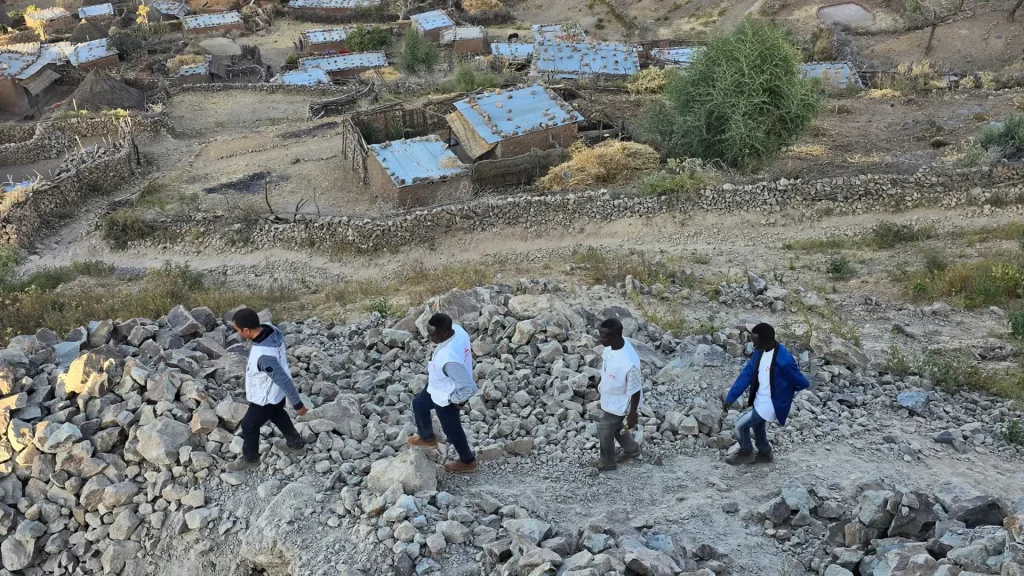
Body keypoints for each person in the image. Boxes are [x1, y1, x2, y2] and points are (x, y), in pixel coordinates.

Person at [226, 308, 307, 472]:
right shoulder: (270, 330)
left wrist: (298, 405)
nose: (239, 334)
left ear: (247, 330)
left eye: (239, 331)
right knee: (278, 414)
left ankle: (251, 459)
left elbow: (283, 380)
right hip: (276, 395)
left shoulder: (264, 356)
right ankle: (296, 445)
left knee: (249, 425)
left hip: (265, 397)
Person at [722, 322, 809, 465]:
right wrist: (731, 396)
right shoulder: (760, 351)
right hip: (759, 399)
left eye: (757, 344)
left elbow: (802, 382)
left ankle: (746, 452)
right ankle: (765, 453)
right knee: (758, 426)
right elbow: (748, 373)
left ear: (769, 342)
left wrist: (784, 393)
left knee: (740, 426)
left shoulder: (784, 361)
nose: (754, 347)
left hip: (771, 403)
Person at [407, 313, 479, 474]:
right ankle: (427, 438)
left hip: (446, 395)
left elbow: (470, 386)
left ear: (445, 332)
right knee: (419, 404)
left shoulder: (449, 360)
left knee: (452, 432)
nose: (428, 336)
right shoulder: (458, 330)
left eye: (432, 334)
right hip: (436, 385)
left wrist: (456, 399)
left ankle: (468, 462)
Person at [593, 318, 643, 471]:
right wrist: (600, 383)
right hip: (610, 396)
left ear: (614, 337)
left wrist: (633, 414)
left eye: (603, 336)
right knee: (615, 428)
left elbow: (635, 390)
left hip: (621, 402)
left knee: (605, 428)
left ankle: (607, 461)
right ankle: (632, 449)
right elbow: (607, 366)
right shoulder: (611, 347)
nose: (600, 339)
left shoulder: (629, 362)